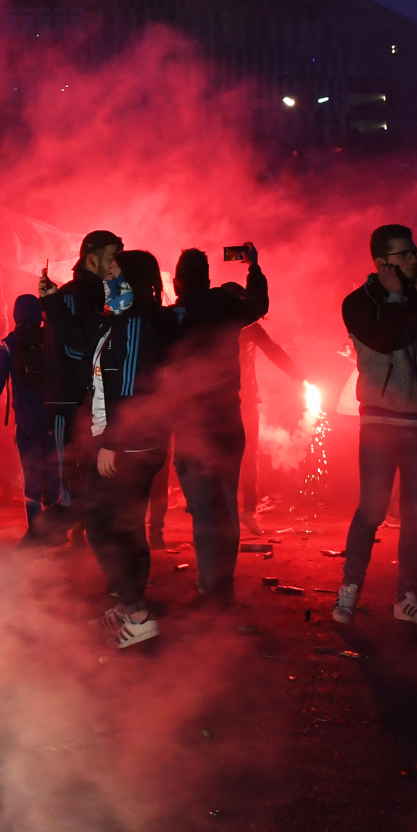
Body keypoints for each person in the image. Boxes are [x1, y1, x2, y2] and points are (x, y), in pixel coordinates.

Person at [333, 225, 417, 625]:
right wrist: (395, 296)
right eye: (405, 255)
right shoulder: (359, 302)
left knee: (415, 514)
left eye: (416, 252)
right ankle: (349, 590)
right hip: (381, 424)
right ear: (382, 263)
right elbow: (385, 340)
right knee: (372, 509)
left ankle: (406, 597)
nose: (416, 259)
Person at [76, 250, 178, 648]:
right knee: (128, 526)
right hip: (138, 441)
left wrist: (112, 443)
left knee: (102, 524)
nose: (108, 277)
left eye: (115, 272)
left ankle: (136, 613)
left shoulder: (136, 321)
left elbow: (132, 387)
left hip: (130, 443)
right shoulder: (131, 318)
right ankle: (127, 609)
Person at [168, 246, 270, 602]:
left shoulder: (173, 316)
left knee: (203, 509)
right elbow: (258, 305)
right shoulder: (224, 306)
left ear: (177, 280)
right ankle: (221, 586)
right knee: (225, 504)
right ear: (208, 278)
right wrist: (253, 267)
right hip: (228, 418)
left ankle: (208, 586)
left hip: (194, 425)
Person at [39, 230, 123, 542]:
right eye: (112, 257)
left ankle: (81, 544)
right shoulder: (73, 295)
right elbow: (74, 350)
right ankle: (26, 557)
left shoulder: (102, 293)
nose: (116, 265)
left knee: (89, 478)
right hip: (68, 401)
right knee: (69, 482)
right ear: (92, 258)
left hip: (89, 401)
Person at [0, 294, 60, 541]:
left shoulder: (8, 345)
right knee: (54, 472)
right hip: (55, 419)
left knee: (31, 475)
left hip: (27, 423)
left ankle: (35, 533)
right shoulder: (52, 340)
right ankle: (55, 530)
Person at [237, 322, 303, 533]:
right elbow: (273, 350)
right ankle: (248, 511)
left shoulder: (214, 320)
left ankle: (222, 510)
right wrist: (297, 374)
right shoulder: (249, 326)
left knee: (222, 455)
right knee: (249, 456)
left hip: (219, 398)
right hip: (245, 398)